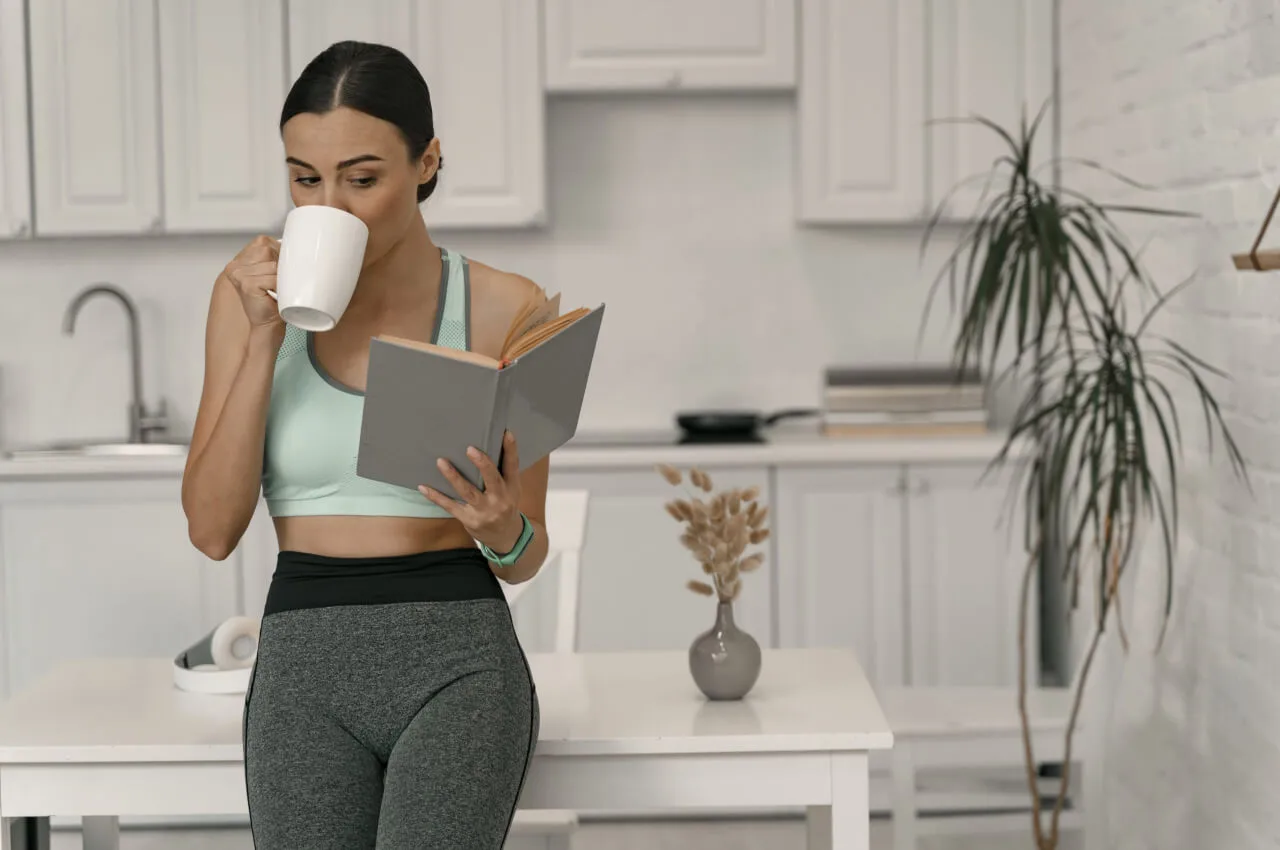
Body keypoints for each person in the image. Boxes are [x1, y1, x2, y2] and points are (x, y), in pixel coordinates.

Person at [180, 40, 550, 850]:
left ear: (426, 163)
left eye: (363, 177)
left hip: (460, 663)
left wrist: (500, 526)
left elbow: (525, 556)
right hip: (303, 666)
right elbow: (211, 532)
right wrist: (260, 341)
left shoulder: (505, 307)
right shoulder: (243, 299)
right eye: (305, 178)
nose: (332, 207)